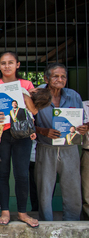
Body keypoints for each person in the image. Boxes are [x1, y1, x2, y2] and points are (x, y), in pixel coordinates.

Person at [0, 51, 40, 228]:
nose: (6, 66)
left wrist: (23, 95)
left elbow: (34, 111)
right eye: (3, 63)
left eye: (10, 63)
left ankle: (23, 213)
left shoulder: (26, 84)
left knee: (22, 174)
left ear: (17, 65)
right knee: (2, 173)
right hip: (0, 134)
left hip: (22, 133)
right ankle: (5, 212)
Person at [34, 63, 88, 221]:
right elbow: (28, 123)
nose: (60, 79)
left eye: (63, 76)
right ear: (46, 78)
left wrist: (83, 128)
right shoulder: (37, 95)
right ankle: (46, 224)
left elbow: (82, 120)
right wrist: (43, 131)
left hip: (69, 148)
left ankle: (72, 223)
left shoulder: (73, 96)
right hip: (46, 148)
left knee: (73, 188)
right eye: (55, 76)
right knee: (44, 190)